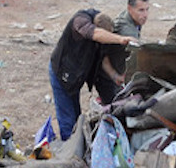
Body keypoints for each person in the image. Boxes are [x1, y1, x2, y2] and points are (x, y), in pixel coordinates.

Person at [50, 9, 136, 140]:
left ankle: (75, 144)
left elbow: (103, 60)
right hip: (62, 73)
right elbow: (94, 33)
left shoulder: (103, 24)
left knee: (77, 117)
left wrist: (115, 76)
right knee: (68, 118)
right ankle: (67, 151)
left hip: (76, 76)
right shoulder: (80, 21)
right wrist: (121, 39)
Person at [95, 0, 150, 103]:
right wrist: (114, 76)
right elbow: (141, 52)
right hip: (109, 77)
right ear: (130, 9)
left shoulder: (133, 19)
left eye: (147, 9)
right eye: (141, 10)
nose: (145, 15)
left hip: (116, 73)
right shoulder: (127, 29)